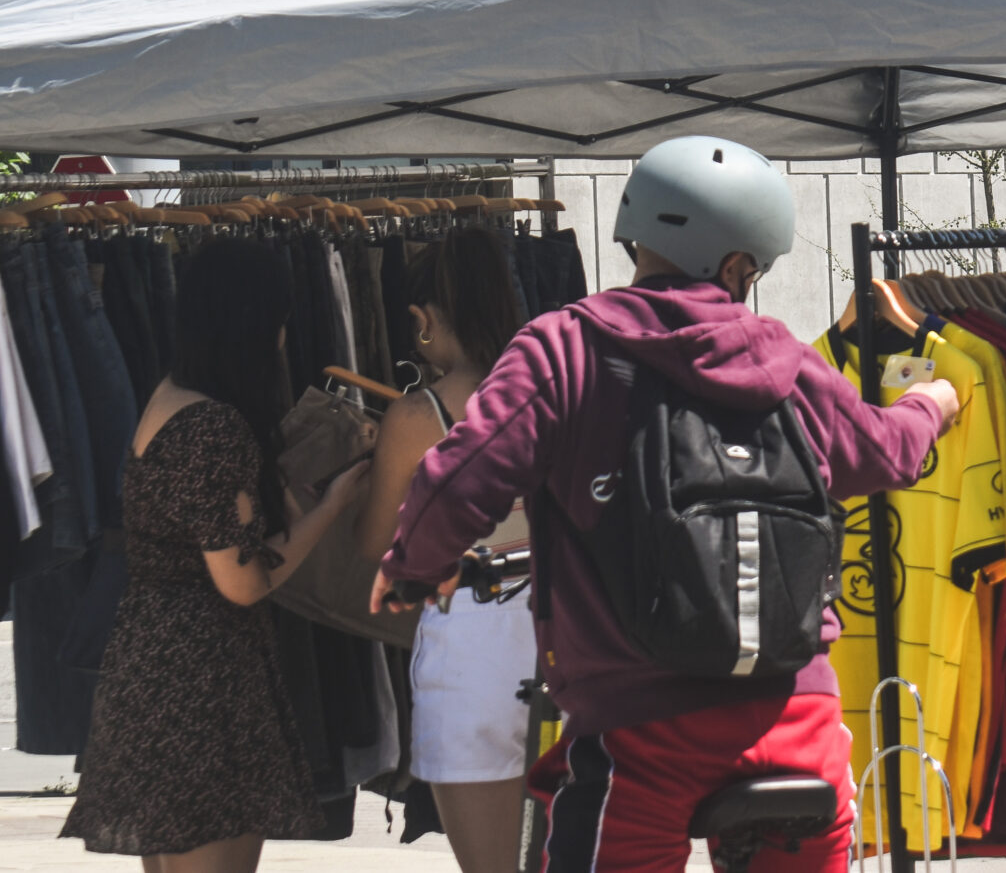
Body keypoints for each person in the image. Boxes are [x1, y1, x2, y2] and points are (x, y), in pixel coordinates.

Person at [371, 135, 961, 873]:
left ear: (634, 235)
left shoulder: (563, 348)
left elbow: (458, 479)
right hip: (797, 718)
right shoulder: (784, 359)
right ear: (739, 265)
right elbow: (883, 451)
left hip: (637, 726)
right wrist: (932, 402)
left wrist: (413, 567)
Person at [62, 240, 373, 871]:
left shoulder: (171, 396)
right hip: (202, 686)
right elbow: (243, 582)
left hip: (151, 669)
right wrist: (332, 506)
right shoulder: (213, 426)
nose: (285, 335)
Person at [355, 224, 534, 873]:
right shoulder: (558, 390)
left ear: (423, 318)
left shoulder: (417, 418)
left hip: (471, 654)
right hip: (566, 642)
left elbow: (377, 547)